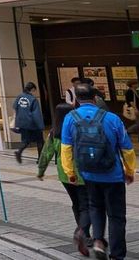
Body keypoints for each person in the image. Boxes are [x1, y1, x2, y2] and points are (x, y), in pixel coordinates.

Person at [60, 83, 135, 260]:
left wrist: (70, 171)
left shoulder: (70, 118)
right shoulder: (112, 118)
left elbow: (66, 148)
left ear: (77, 100)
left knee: (95, 207)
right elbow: (127, 149)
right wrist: (130, 171)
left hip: (88, 174)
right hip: (113, 174)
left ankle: (99, 241)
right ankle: (117, 255)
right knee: (116, 216)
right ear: (95, 98)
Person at [39, 102, 91, 256]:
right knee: (86, 204)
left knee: (76, 203)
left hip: (64, 175)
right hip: (82, 174)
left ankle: (82, 230)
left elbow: (46, 153)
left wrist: (41, 171)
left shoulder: (53, 133)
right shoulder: (78, 129)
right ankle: (83, 231)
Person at [13, 81, 44, 163]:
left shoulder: (19, 97)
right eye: (34, 90)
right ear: (32, 89)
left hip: (22, 123)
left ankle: (19, 152)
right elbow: (36, 114)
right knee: (40, 141)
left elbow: (15, 107)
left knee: (25, 140)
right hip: (32, 124)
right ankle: (40, 159)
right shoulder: (33, 99)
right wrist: (40, 126)